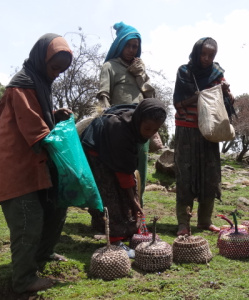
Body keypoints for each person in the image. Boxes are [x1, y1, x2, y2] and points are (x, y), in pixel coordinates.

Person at [0, 33, 73, 293]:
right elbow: (33, 128)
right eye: (54, 68)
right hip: (16, 167)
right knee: (28, 222)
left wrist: (55, 115)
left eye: (62, 70)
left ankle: (41, 256)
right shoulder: (22, 83)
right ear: (41, 60)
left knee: (55, 211)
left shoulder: (39, 83)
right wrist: (67, 148)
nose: (56, 74)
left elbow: (37, 116)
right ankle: (22, 280)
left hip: (36, 165)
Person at [81, 98, 167, 258]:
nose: (149, 134)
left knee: (127, 193)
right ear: (139, 120)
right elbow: (123, 173)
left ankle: (128, 232)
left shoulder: (135, 121)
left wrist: (133, 198)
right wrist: (134, 200)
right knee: (110, 194)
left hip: (111, 151)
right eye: (147, 128)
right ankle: (115, 241)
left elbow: (126, 167)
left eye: (154, 130)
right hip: (97, 153)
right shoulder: (119, 129)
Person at [173, 37, 235, 236]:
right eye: (204, 54)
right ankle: (183, 223)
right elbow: (178, 102)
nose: (207, 59)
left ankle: (205, 221)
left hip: (209, 131)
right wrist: (200, 95)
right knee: (185, 174)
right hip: (186, 130)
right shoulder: (184, 72)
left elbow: (228, 99)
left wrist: (227, 93)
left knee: (209, 176)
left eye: (211, 55)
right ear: (196, 52)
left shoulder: (217, 74)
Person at [96, 22, 156, 206]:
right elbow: (103, 95)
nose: (132, 50)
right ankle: (115, 212)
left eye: (135, 46)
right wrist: (106, 120)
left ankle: (138, 209)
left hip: (140, 126)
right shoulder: (109, 66)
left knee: (140, 170)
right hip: (118, 126)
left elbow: (150, 97)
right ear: (120, 45)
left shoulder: (140, 68)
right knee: (118, 170)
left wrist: (140, 77)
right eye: (128, 45)